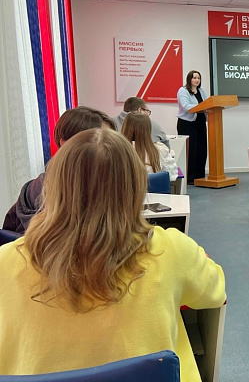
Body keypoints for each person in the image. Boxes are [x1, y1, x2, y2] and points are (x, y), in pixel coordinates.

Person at [0, 129, 225, 380]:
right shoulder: (172, 249)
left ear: (51, 185)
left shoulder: (5, 261)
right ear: (135, 187)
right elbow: (215, 294)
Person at [3, 106, 114, 234]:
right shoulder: (49, 192)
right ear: (65, 143)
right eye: (100, 140)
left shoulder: (37, 187)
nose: (109, 148)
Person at [122, 112, 178, 181]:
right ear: (148, 129)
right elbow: (171, 175)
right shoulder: (160, 149)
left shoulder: (118, 150)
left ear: (125, 127)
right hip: (154, 187)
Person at [177, 70, 208, 184]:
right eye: (194, 78)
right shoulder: (183, 90)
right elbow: (186, 106)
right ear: (189, 79)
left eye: (198, 78)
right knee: (191, 150)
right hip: (187, 123)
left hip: (200, 123)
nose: (197, 80)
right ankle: (190, 177)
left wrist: (206, 108)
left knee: (201, 149)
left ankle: (200, 176)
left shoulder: (201, 91)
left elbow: (208, 103)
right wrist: (201, 107)